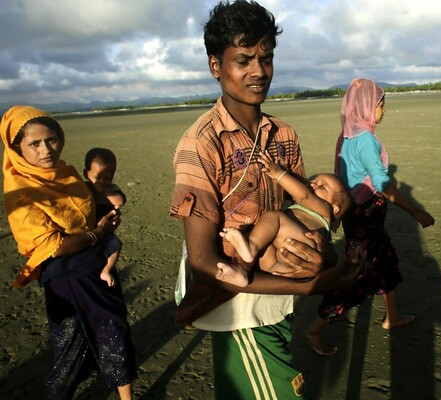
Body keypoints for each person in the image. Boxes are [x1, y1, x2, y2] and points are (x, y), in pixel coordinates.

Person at [169, 1, 364, 398]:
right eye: (244, 60)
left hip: (277, 300)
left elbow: (305, 215)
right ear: (215, 66)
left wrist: (322, 259)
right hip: (238, 309)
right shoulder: (201, 142)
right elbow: (205, 262)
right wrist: (314, 286)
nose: (259, 71)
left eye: (266, 58)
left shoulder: (284, 135)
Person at [1, 106, 136, 399]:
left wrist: (106, 221)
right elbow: (54, 246)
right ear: (16, 148)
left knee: (115, 332)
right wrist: (99, 233)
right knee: (71, 349)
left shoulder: (67, 173)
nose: (46, 149)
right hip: (67, 279)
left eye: (51, 140)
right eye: (33, 144)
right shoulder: (21, 192)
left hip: (99, 268)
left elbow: (103, 199)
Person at [304, 78, 436, 356]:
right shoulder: (365, 140)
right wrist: (415, 210)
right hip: (366, 219)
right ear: (367, 107)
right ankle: (315, 330)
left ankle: (392, 316)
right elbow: (382, 183)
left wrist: (339, 213)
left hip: (358, 216)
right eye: (381, 104)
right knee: (355, 277)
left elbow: (340, 177)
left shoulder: (345, 136)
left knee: (386, 264)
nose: (384, 110)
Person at [218, 150, 352, 286]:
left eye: (322, 186)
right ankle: (241, 271)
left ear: (335, 208)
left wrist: (279, 174)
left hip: (303, 242)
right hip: (284, 260)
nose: (312, 184)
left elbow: (304, 195)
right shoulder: (306, 209)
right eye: (313, 181)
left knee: (275, 217)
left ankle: (251, 248)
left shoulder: (325, 210)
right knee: (257, 239)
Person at [83, 147, 127, 287]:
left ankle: (106, 270)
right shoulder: (83, 188)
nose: (102, 181)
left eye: (107, 177)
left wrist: (106, 191)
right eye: (98, 177)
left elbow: (119, 202)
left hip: (106, 231)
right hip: (88, 228)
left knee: (115, 246)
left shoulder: (112, 189)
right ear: (86, 173)